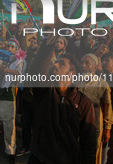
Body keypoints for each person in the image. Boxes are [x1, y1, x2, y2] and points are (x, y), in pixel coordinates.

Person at [28, 35, 97, 164]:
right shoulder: (44, 90)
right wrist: (49, 43)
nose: (55, 64)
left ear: (72, 73)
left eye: (62, 63)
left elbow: (89, 141)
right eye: (56, 62)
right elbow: (37, 69)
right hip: (40, 158)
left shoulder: (84, 103)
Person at [78, 54, 113, 164]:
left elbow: (108, 109)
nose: (83, 65)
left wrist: (107, 129)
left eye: (87, 63)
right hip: (77, 123)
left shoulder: (102, 85)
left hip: (95, 125)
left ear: (94, 67)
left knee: (94, 153)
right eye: (82, 62)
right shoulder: (75, 82)